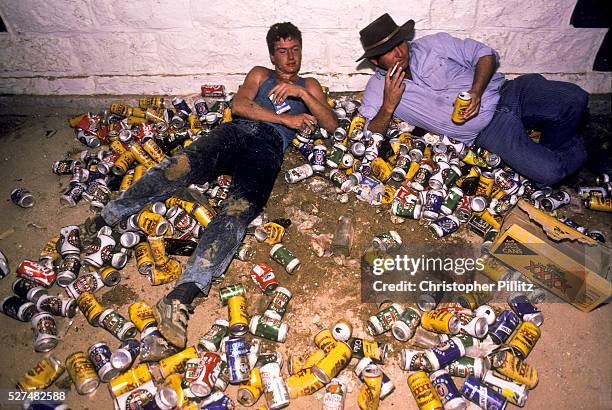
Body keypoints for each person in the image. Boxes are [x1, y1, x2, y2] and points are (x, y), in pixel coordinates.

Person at [84, 22, 337, 348]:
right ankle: (108, 215)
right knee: (178, 167)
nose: (290, 58)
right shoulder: (261, 74)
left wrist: (302, 94)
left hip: (269, 149)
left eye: (295, 50)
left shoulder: (310, 84)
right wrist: (285, 118)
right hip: (238, 132)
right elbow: (239, 106)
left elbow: (330, 123)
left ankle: (181, 296)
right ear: (272, 55)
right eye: (283, 51)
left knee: (238, 213)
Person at [356, 13, 588, 186]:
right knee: (550, 174)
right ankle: (577, 151)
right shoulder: (378, 89)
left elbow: (484, 54)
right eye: (389, 50)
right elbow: (369, 133)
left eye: (399, 42)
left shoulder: (433, 45)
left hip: (508, 92)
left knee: (574, 98)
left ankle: (551, 148)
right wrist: (388, 106)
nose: (399, 52)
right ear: (375, 61)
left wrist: (477, 91)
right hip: (489, 130)